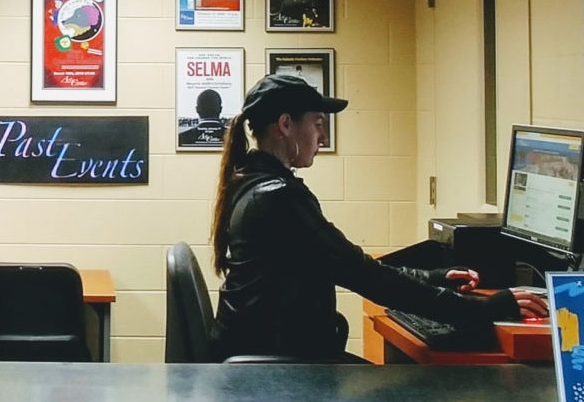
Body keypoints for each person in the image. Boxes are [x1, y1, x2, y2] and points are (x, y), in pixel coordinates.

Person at [211, 73, 545, 362]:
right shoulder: (278, 197)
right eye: (318, 124)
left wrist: (433, 278)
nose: (323, 138)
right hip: (278, 367)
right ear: (285, 125)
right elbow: (363, 275)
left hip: (273, 352)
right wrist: (486, 308)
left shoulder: (253, 182)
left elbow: (356, 266)